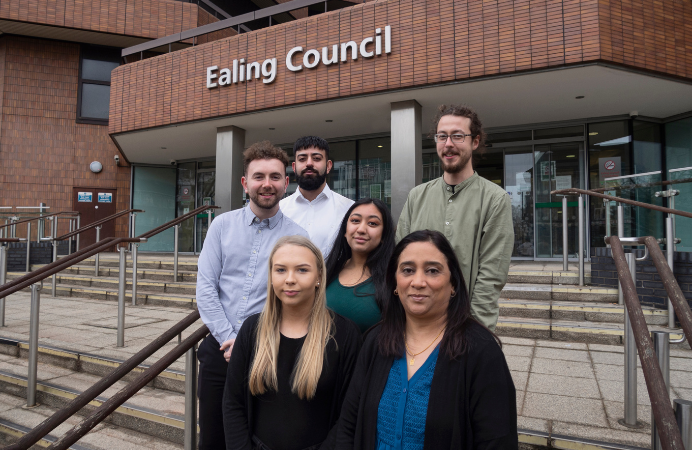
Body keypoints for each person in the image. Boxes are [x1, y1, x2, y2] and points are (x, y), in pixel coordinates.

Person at [336, 230, 517, 450]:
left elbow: (497, 442)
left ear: (453, 284)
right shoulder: (376, 341)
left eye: (432, 271)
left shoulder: (481, 351)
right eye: (408, 270)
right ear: (394, 282)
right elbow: (348, 425)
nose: (418, 282)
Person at [196, 141, 309, 450]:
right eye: (259, 176)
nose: (267, 184)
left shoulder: (298, 237)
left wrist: (250, 344)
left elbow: (297, 297)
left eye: (275, 177)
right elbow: (206, 288)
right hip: (221, 350)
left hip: (271, 354)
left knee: (260, 439)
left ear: (286, 183)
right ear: (245, 183)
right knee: (213, 439)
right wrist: (230, 339)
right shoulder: (221, 226)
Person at [223, 235, 362, 450]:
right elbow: (233, 403)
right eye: (280, 270)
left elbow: (349, 414)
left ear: (319, 277)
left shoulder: (344, 334)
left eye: (302, 270)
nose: (289, 279)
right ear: (270, 276)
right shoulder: (252, 330)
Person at [396, 105, 514, 331]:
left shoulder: (495, 199)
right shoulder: (416, 197)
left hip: (464, 325)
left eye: (458, 136)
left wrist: (476, 331)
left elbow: (491, 276)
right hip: (414, 324)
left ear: (475, 142)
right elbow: (399, 260)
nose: (448, 144)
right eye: (442, 136)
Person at [325, 198, 395, 334]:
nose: (361, 229)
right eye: (355, 221)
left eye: (372, 223)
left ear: (384, 235)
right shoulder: (329, 270)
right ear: (345, 230)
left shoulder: (393, 278)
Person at [280, 136, 354, 258]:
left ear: (329, 166)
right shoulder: (279, 210)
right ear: (294, 167)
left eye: (316, 158)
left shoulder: (349, 209)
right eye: (302, 159)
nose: (309, 163)